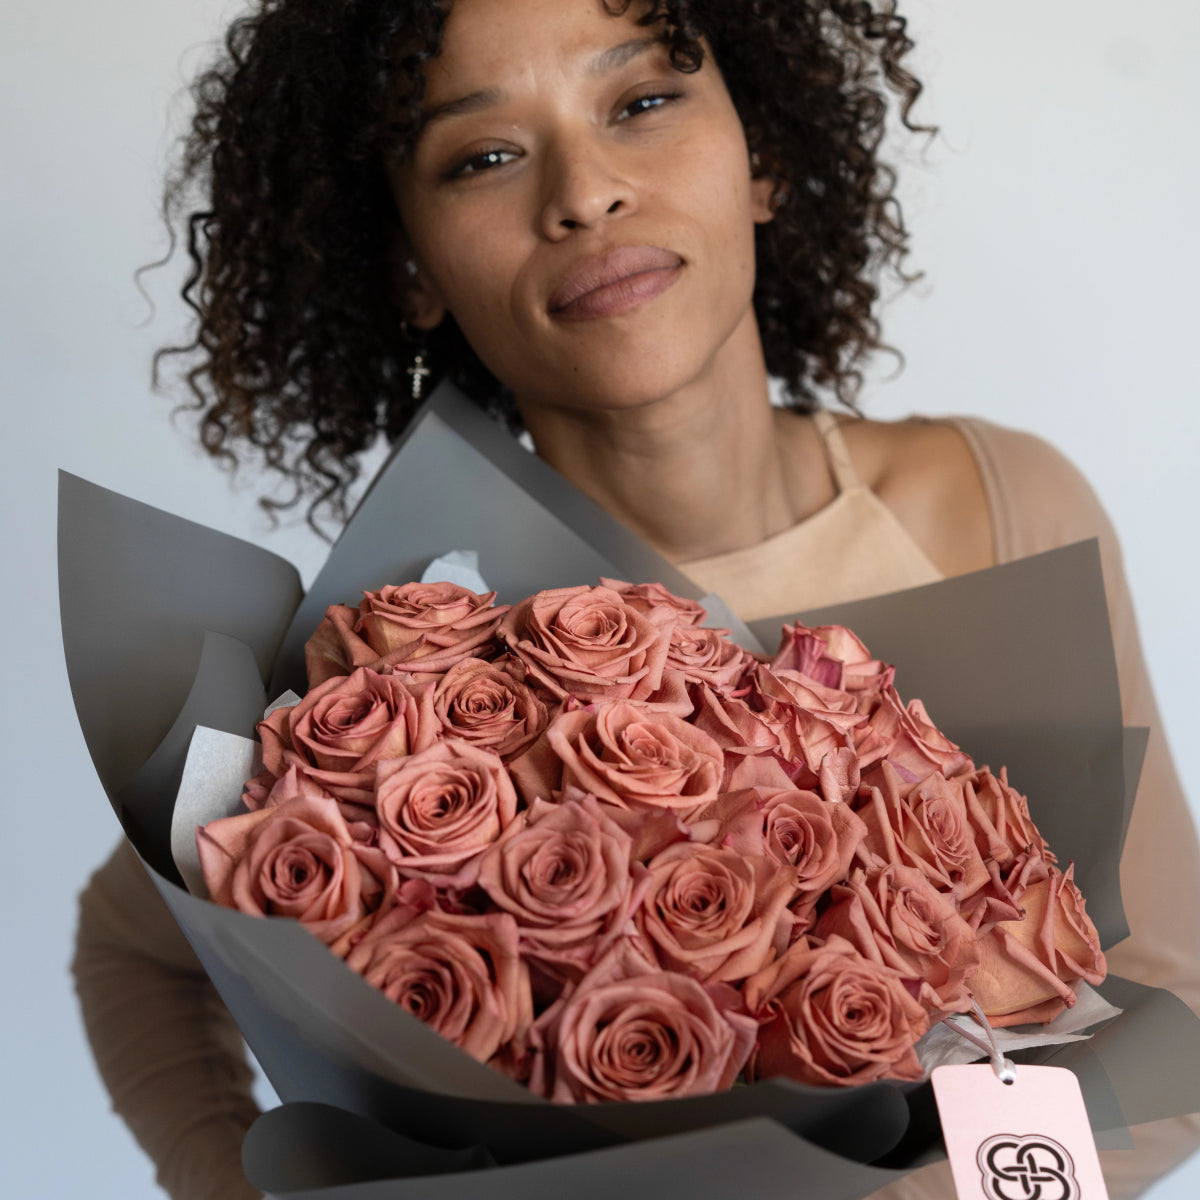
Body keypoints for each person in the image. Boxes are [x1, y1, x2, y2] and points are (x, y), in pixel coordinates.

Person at [72, 1, 1200, 1197]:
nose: (583, 191)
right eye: (485, 156)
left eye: (641, 103)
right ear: (412, 269)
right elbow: (131, 947)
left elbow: (1170, 997)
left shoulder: (1000, 500)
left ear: (761, 158)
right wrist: (224, 1178)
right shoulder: (399, 676)